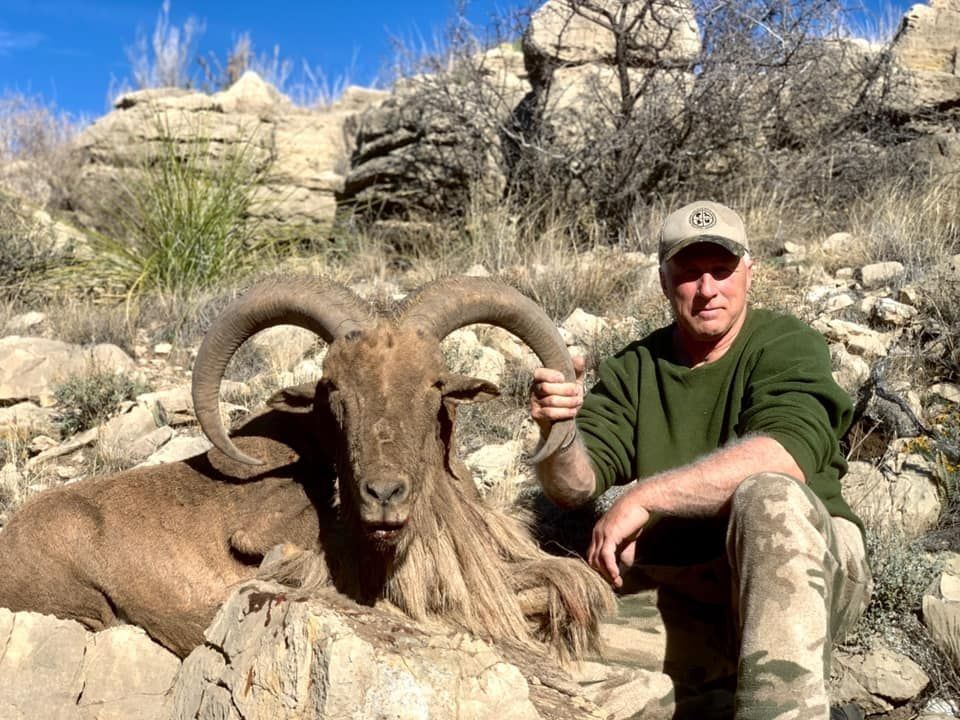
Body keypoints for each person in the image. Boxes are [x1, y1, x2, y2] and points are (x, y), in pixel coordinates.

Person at [530, 200, 871, 720]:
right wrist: (559, 430)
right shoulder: (635, 368)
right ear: (665, 283)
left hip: (811, 574)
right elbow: (575, 487)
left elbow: (784, 456)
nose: (707, 289)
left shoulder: (786, 343)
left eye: (722, 270)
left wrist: (646, 495)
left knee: (768, 495)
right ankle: (718, 692)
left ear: (749, 273)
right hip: (689, 589)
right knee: (540, 650)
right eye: (689, 274)